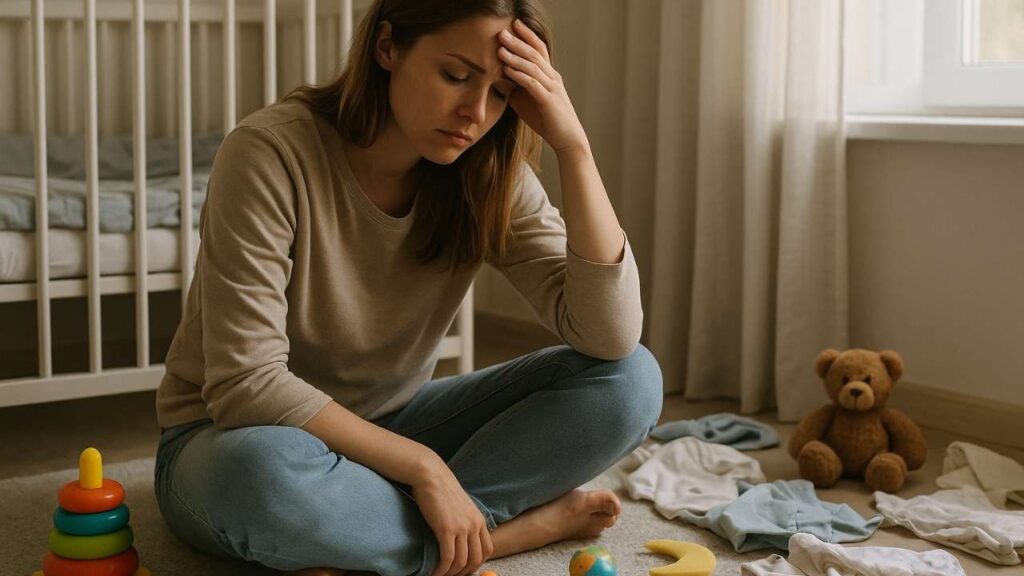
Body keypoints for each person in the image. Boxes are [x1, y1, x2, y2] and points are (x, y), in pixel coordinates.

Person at [153, 1, 663, 575]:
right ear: (388, 46)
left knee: (631, 380)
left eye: (499, 94)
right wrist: (424, 468)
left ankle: (405, 534)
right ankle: (500, 534)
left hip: (389, 423)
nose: (474, 112)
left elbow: (609, 335)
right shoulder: (269, 153)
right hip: (233, 438)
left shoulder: (488, 174)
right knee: (258, 480)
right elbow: (246, 384)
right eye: (455, 75)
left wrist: (574, 147)